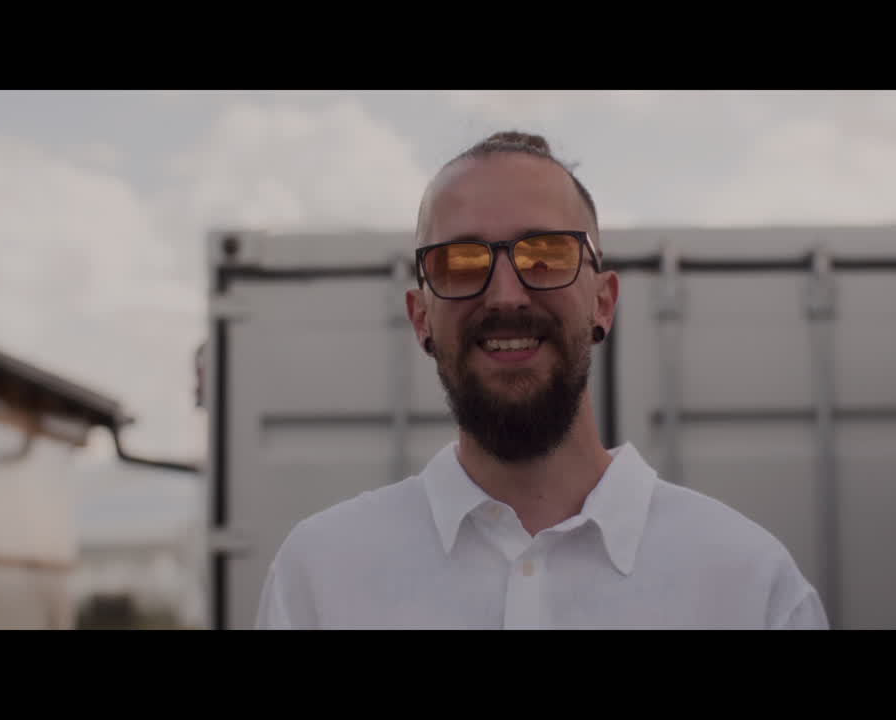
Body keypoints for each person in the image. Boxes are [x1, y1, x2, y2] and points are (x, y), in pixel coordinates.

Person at [255, 131, 828, 629]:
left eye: (546, 256)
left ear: (603, 302)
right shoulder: (320, 577)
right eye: (460, 261)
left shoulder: (750, 586)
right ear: (419, 316)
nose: (506, 295)